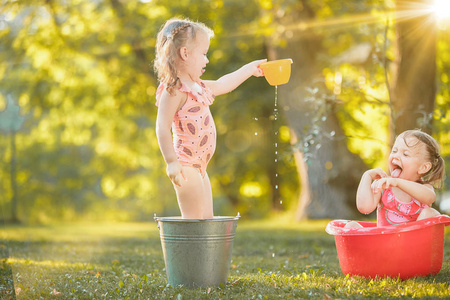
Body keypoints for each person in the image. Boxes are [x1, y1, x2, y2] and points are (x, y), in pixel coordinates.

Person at [154, 18, 266, 219]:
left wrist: (250, 69)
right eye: (204, 54)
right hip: (185, 164)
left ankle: (205, 251)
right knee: (194, 221)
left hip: (200, 167)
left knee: (206, 219)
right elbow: (162, 127)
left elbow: (224, 83)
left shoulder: (199, 86)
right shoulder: (174, 90)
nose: (207, 60)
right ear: (185, 54)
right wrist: (171, 162)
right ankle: (188, 250)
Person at [345, 129, 445, 228]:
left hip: (413, 242)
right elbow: (364, 208)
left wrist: (397, 182)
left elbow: (430, 198)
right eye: (394, 151)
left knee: (430, 213)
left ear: (423, 167)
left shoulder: (424, 188)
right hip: (385, 241)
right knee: (351, 226)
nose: (396, 156)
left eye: (405, 154)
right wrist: (366, 176)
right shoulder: (383, 185)